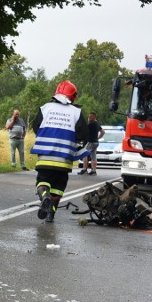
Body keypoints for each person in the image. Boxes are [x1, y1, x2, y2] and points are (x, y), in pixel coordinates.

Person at [30, 80, 87, 222]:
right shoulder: (76, 112)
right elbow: (82, 134)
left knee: (43, 181)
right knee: (58, 188)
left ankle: (45, 198)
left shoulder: (45, 108)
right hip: (64, 159)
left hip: (45, 156)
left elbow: (36, 126)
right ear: (73, 96)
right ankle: (50, 214)